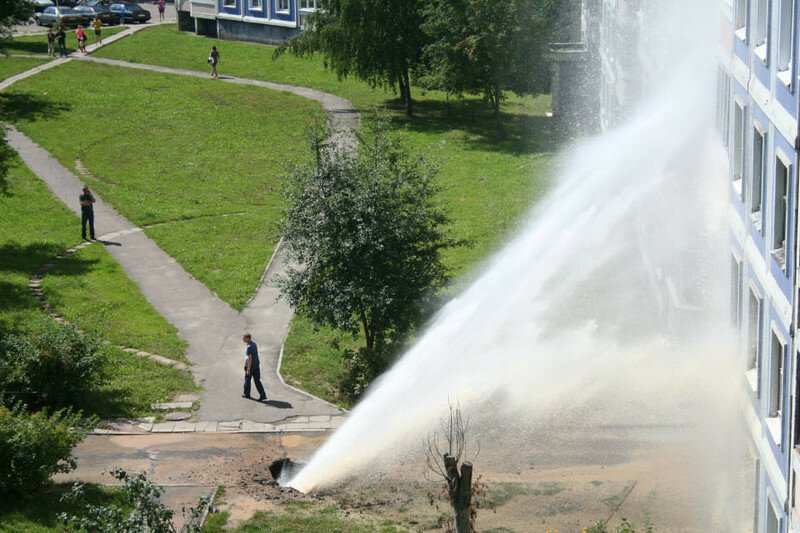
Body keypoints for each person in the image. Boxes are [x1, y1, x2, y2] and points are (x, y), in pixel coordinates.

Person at [242, 333, 267, 401]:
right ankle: (263, 395)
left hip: (250, 366)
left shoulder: (249, 347)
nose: (243, 339)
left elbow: (250, 358)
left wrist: (248, 369)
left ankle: (247, 394)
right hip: (256, 365)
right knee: (257, 381)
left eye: (244, 338)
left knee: (247, 380)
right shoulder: (254, 344)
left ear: (248, 338)